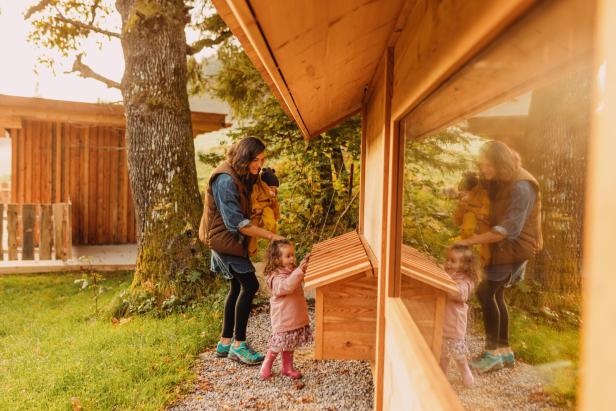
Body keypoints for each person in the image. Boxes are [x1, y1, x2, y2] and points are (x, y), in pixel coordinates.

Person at [456, 140, 543, 373]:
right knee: (496, 294)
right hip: (505, 248)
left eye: (486, 165)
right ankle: (504, 352)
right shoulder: (505, 176)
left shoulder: (521, 186)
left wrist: (469, 241)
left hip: (512, 248)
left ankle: (492, 355)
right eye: (481, 164)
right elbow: (537, 207)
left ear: (498, 162)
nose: (482, 169)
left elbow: (508, 230)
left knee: (486, 293)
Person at [199, 137, 285, 365]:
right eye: (256, 160)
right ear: (245, 157)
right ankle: (239, 346)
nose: (258, 164)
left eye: (262, 160)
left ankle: (225, 342)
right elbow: (235, 222)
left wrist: (268, 184)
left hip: (231, 239)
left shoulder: (241, 173)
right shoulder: (225, 180)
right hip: (223, 238)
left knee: (237, 285)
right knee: (250, 285)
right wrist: (271, 236)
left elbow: (254, 197)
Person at [259, 239, 312, 380]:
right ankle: (267, 364)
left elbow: (297, 279)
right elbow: (286, 286)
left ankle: (287, 368)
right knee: (278, 343)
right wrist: (299, 271)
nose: (292, 258)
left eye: (293, 255)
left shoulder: (293, 271)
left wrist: (304, 267)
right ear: (276, 260)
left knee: (290, 342)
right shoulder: (275, 277)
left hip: (294, 315)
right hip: (283, 317)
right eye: (288, 256)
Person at [440, 244, 480, 387]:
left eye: (453, 261)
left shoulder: (465, 281)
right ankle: (442, 378)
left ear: (464, 266)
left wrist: (443, 280)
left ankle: (466, 373)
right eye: (447, 260)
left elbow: (459, 293)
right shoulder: (447, 274)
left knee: (459, 355)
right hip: (442, 323)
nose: (448, 263)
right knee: (442, 354)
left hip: (454, 325)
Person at [453, 171, 491, 266]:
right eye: (462, 192)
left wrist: (471, 209)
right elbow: (457, 222)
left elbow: (483, 216)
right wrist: (462, 205)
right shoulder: (464, 203)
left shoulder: (485, 196)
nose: (463, 194)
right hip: (466, 247)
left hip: (484, 245)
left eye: (466, 191)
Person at [248, 167, 281, 256]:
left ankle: (273, 241)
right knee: (252, 230)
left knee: (272, 222)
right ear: (264, 185)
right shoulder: (257, 187)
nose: (273, 189)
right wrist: (256, 208)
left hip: (267, 208)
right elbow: (253, 198)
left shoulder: (273, 193)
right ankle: (251, 251)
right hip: (257, 211)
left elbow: (275, 204)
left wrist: (276, 214)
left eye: (274, 187)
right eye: (270, 187)